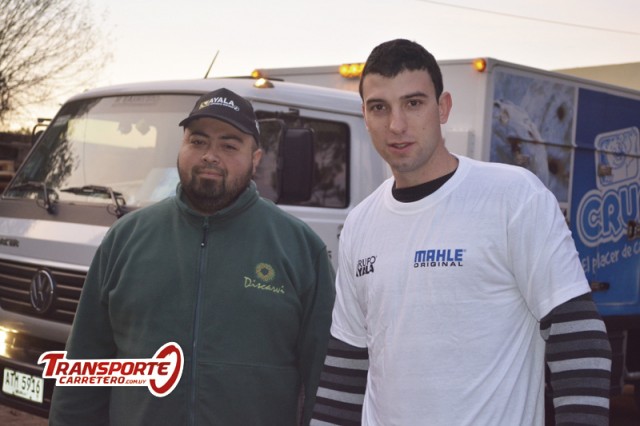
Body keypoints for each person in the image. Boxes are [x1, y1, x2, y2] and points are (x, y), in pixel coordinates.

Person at [311, 39, 612, 426]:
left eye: (413, 103)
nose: (396, 124)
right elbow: (346, 365)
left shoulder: (512, 196)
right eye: (379, 107)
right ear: (365, 116)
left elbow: (579, 340)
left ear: (444, 107)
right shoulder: (360, 223)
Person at [49, 88, 335, 425]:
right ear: (182, 146)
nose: (210, 155)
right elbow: (86, 367)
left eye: (229, 145)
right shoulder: (125, 239)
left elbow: (325, 382)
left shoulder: (300, 249)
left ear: (256, 159)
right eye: (197, 142)